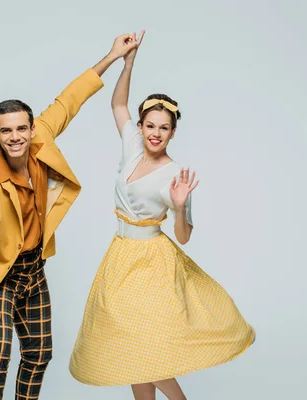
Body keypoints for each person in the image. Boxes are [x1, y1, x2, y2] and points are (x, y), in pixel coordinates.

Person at [69, 31, 255, 400]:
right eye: (150, 125)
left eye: (164, 128)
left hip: (153, 262)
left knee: (145, 349)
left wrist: (181, 205)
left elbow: (183, 237)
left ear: (173, 132)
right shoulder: (132, 146)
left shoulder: (176, 174)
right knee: (131, 348)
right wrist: (128, 61)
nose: (155, 133)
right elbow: (118, 104)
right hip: (120, 256)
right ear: (141, 127)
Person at [0, 33, 141, 400]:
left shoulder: (41, 135)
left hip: (34, 269)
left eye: (21, 128)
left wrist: (112, 56)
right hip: (0, 275)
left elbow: (70, 99)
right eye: (6, 131)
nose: (15, 137)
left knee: (40, 354)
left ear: (30, 128)